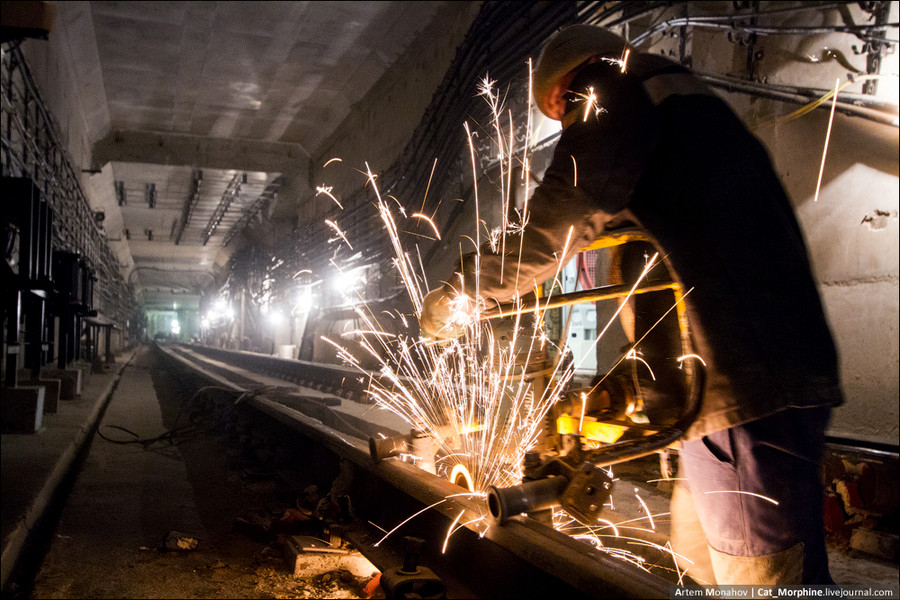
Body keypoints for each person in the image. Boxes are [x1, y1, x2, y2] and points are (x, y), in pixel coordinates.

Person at [419, 25, 843, 585]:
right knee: (695, 557)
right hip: (733, 385)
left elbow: (561, 216)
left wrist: (464, 289)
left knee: (767, 584)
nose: (570, 123)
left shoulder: (609, 87)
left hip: (743, 385)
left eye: (565, 114)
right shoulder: (680, 109)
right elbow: (625, 236)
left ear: (565, 88)